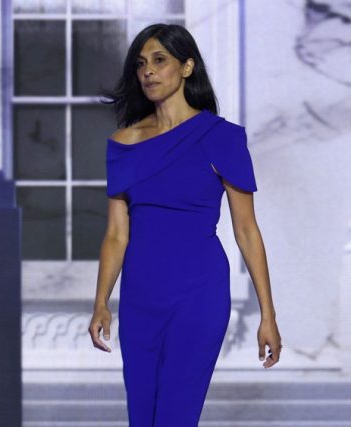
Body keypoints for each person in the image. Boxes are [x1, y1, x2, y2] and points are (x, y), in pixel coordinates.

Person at [87, 24, 282, 425]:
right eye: (142, 63)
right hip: (140, 298)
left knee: (176, 415)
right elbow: (116, 234)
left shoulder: (221, 138)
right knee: (142, 417)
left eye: (160, 60)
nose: (148, 71)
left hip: (199, 295)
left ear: (187, 67)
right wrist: (101, 302)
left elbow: (247, 231)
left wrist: (268, 316)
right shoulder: (123, 144)